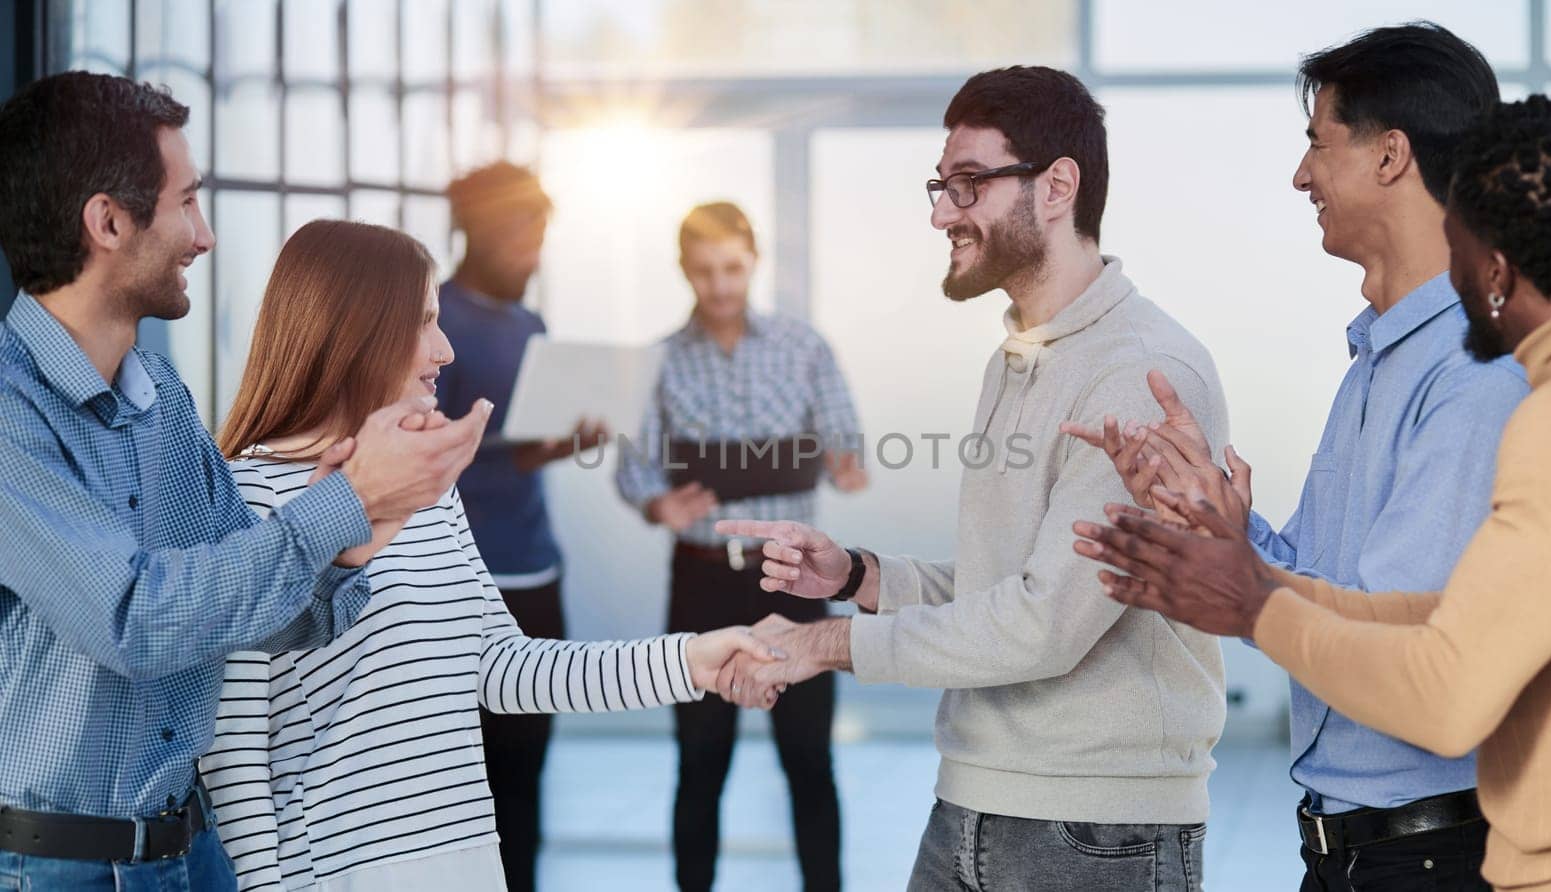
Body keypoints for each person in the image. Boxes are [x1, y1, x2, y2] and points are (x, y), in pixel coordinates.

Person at [717, 66, 1228, 890]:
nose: (939, 213)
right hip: (973, 802)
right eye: (940, 186)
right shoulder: (1019, 358)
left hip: (1097, 830)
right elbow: (1012, 584)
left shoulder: (1138, 372)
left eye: (967, 186)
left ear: (1057, 187)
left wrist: (826, 642)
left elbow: (1044, 625)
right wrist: (859, 576)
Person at [1074, 95, 1551, 892]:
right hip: (1367, 848)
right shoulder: (1392, 368)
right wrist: (1240, 558)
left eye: (1458, 242)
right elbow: (1439, 617)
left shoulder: (1545, 409)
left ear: (1494, 264)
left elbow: (1443, 688)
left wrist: (1253, 602)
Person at [198, 218, 785, 892]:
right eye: (422, 322)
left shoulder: (429, 492)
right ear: (356, 332)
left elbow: (505, 668)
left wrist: (690, 661)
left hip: (465, 865)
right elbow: (235, 762)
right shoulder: (244, 498)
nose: (444, 350)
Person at [0, 72, 482, 891]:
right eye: (186, 202)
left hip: (191, 856)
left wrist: (357, 542)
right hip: (59, 869)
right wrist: (345, 502)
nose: (205, 235)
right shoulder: (11, 417)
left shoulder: (164, 401)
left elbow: (254, 617)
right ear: (108, 222)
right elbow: (135, 620)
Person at [614, 201, 865, 892]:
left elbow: (850, 448)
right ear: (683, 272)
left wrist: (847, 466)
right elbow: (632, 467)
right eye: (704, 272)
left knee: (809, 760)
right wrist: (657, 503)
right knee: (700, 761)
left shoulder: (805, 347)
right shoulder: (659, 360)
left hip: (794, 581)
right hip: (700, 581)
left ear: (753, 260)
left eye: (731, 268)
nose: (720, 286)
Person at [435, 161, 605, 892]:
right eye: (520, 233)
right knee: (463, 785)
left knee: (526, 775)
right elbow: (424, 454)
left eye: (540, 233)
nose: (533, 250)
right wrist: (522, 449)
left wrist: (567, 442)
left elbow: (529, 440)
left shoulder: (533, 322)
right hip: (462, 579)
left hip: (537, 574)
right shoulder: (433, 319)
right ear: (476, 230)